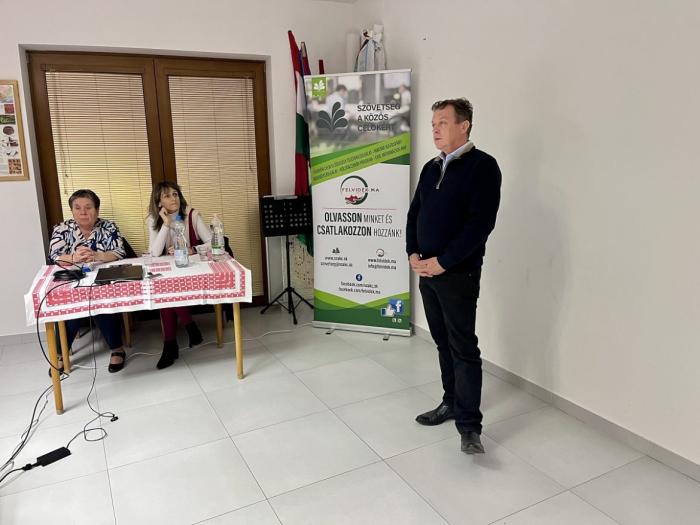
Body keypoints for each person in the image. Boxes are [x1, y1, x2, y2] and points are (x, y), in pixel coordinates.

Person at [406, 98, 501, 454]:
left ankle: (469, 426)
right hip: (427, 272)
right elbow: (414, 213)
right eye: (433, 123)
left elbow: (480, 224)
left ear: (464, 126)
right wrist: (412, 252)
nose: (435, 129)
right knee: (442, 342)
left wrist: (443, 262)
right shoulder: (431, 168)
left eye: (443, 122)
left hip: (457, 273)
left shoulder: (483, 167)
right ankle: (450, 402)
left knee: (463, 348)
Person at [48, 189, 128, 373]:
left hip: (101, 279)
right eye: (77, 208)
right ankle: (60, 354)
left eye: (88, 207)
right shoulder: (61, 229)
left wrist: (97, 255)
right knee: (71, 306)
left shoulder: (108, 227)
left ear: (97, 210)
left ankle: (117, 348)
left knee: (101, 300)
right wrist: (73, 258)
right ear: (72, 210)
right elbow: (54, 256)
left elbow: (119, 252)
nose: (83, 212)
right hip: (73, 280)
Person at [147, 181, 210, 369]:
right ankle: (187, 330)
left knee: (167, 292)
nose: (173, 198)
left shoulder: (191, 215)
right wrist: (166, 224)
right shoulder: (153, 219)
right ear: (159, 202)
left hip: (192, 268)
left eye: (175, 194)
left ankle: (171, 346)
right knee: (166, 290)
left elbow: (215, 241)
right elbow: (155, 252)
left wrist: (192, 249)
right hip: (169, 270)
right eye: (167, 196)